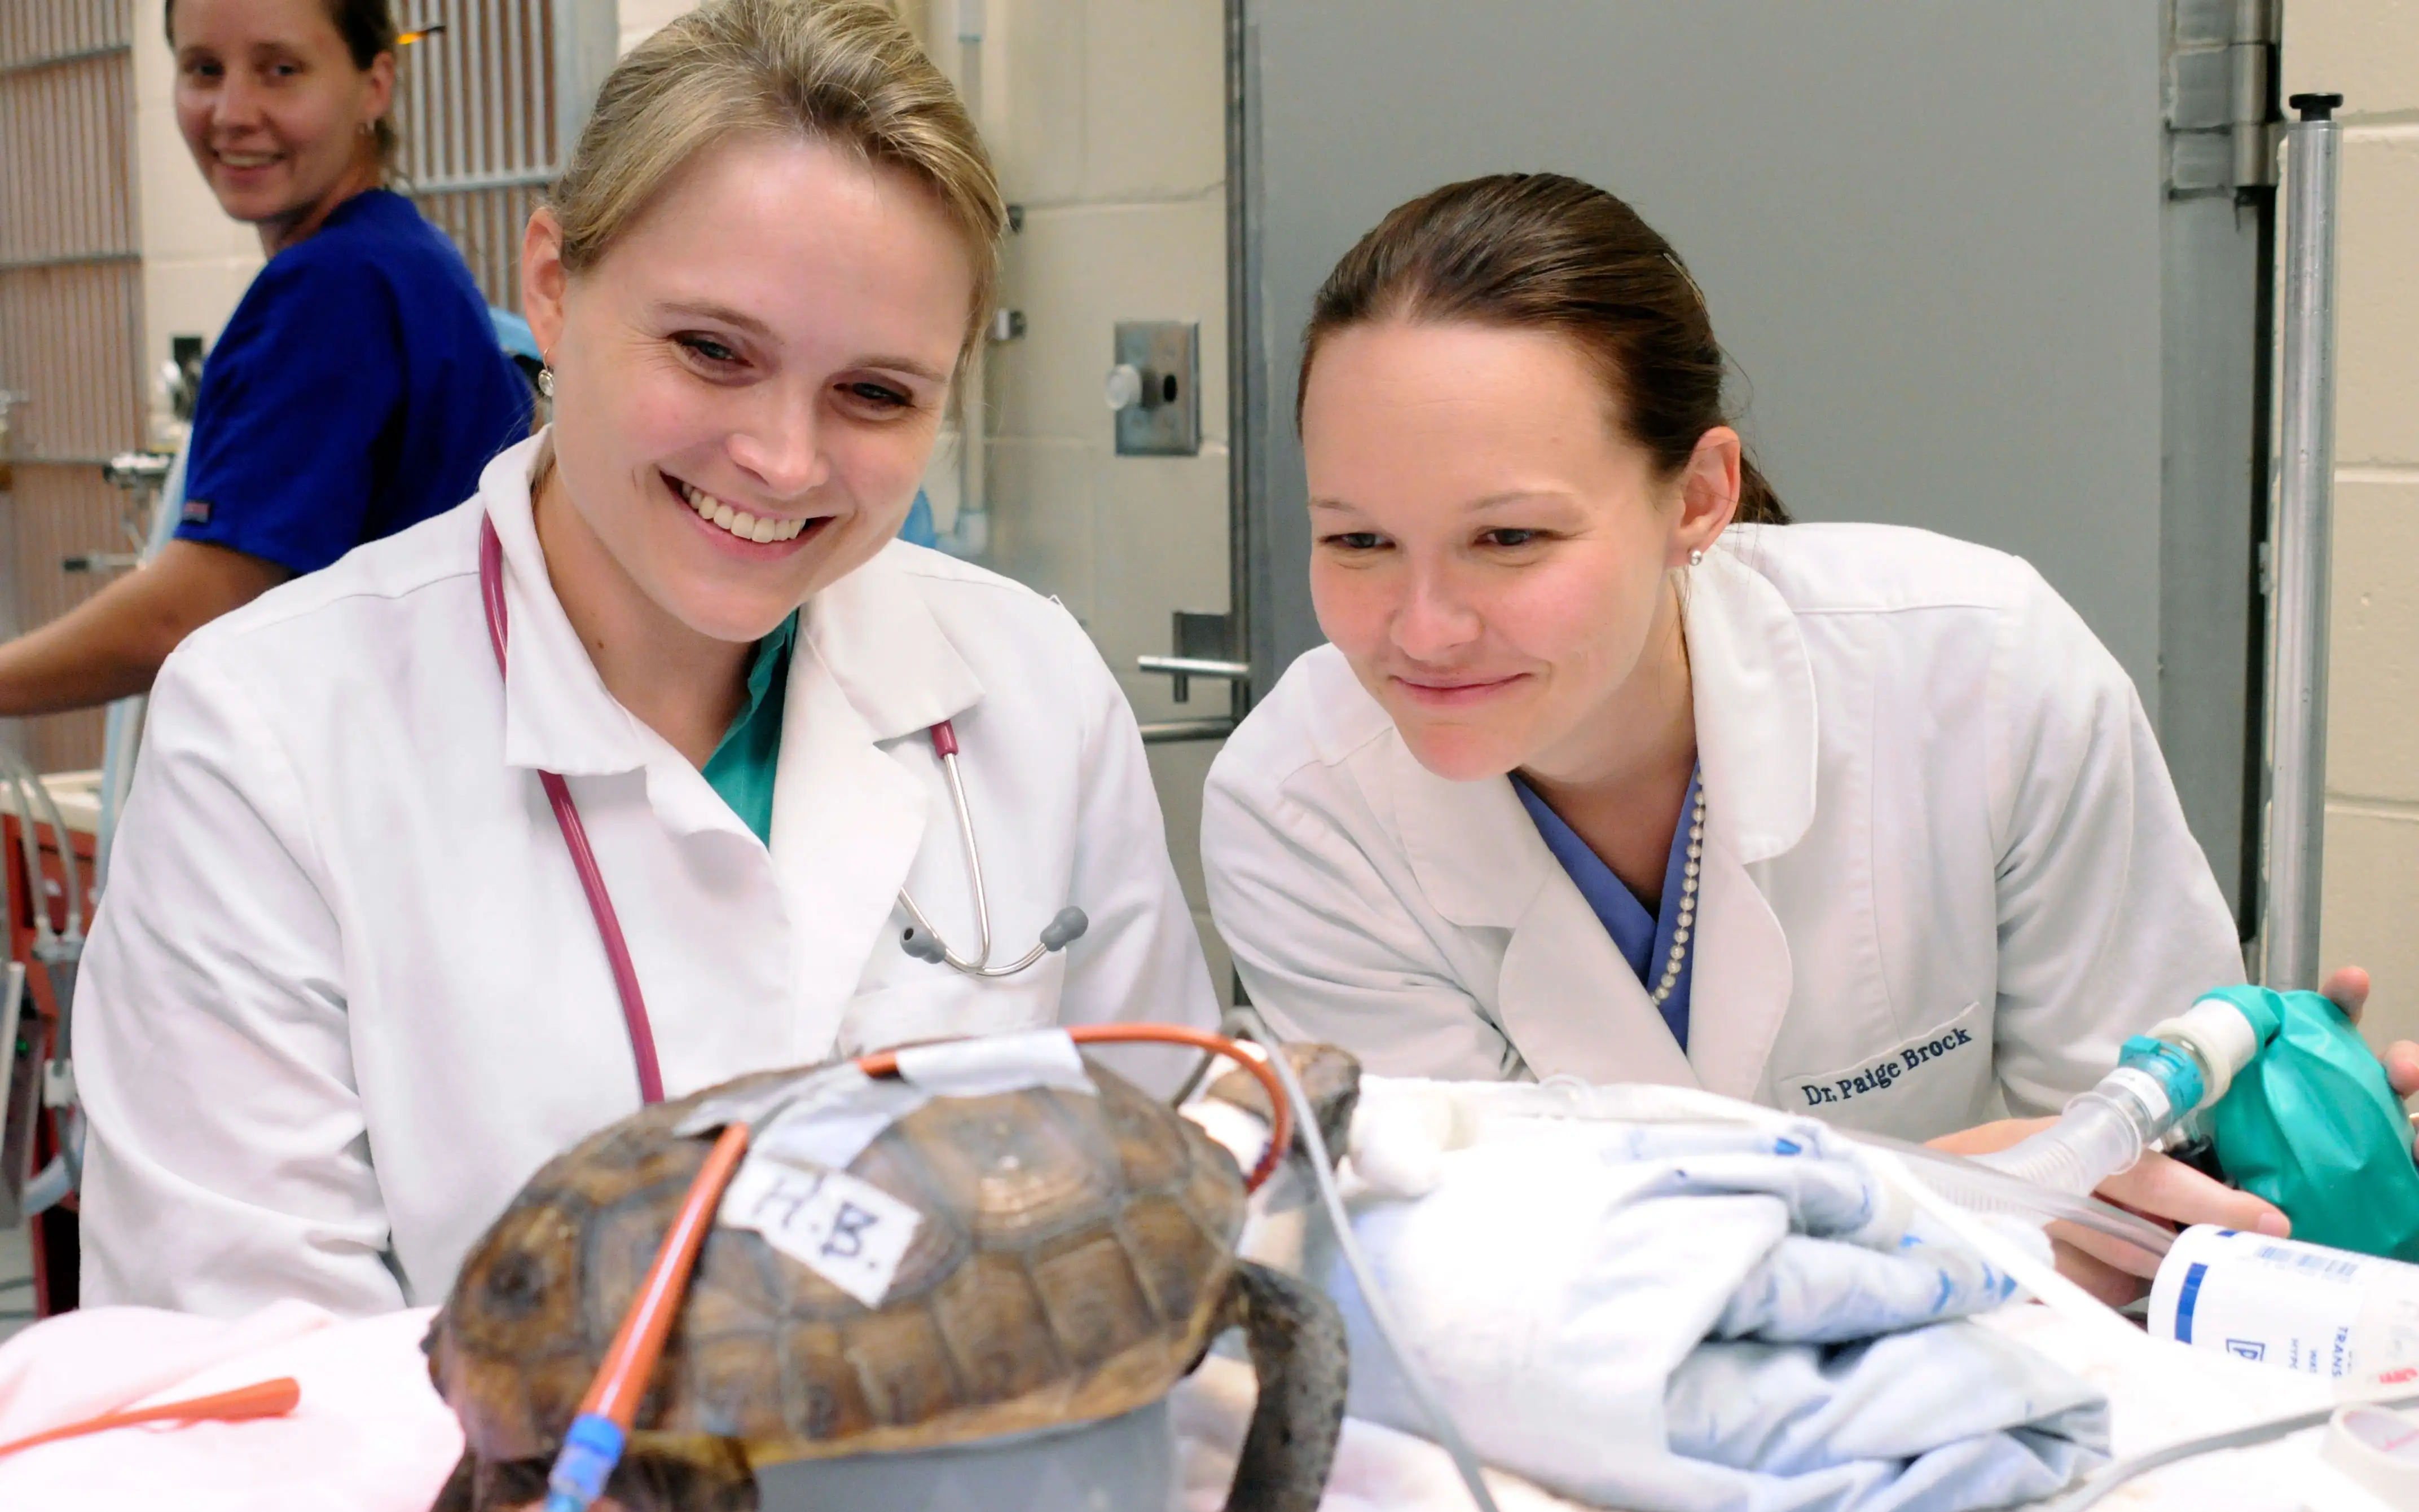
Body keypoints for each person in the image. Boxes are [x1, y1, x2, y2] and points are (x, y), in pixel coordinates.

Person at [73, 0, 1215, 1317]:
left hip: (1007, 1507)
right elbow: (249, 1357)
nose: (783, 461)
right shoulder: (270, 732)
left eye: (876, 393)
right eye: (712, 351)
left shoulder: (1031, 685)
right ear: (552, 287)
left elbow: (1173, 1186)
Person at [1198, 173, 2419, 1304]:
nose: (1423, 627)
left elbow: (2143, 1192)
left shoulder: (1977, 672)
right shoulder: (1297, 804)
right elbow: (1467, 1259)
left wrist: (2296, 1165)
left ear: (1695, 497)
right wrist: (1931, 1198)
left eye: (1508, 538)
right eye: (1357, 541)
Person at [0, 0, 527, 716]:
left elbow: (182, 615)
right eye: (203, 70)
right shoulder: (404, 256)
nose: (232, 112)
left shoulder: (333, 287)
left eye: (281, 71)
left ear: (374, 84)